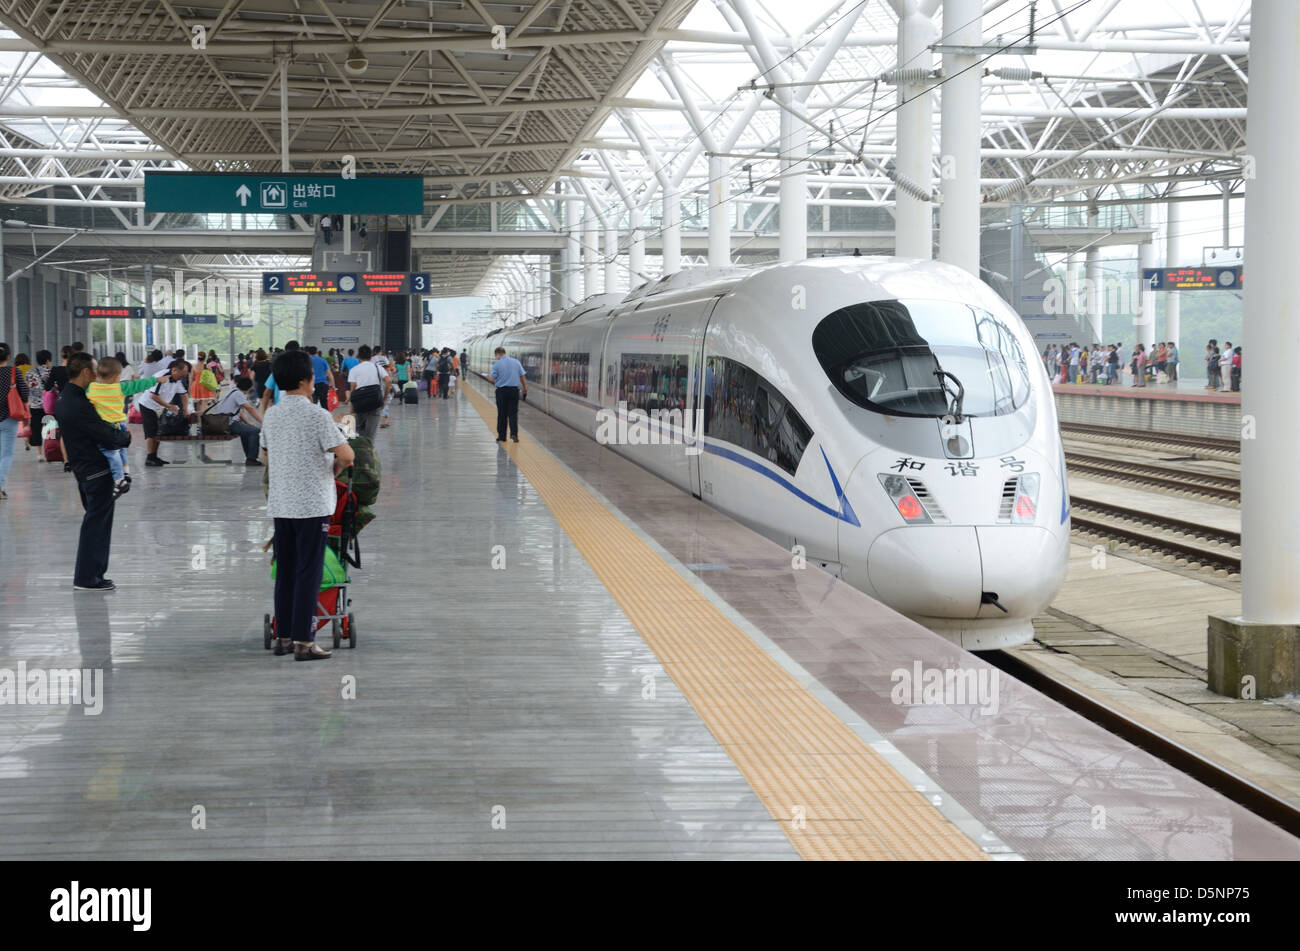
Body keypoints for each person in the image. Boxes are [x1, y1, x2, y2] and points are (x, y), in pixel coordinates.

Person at [260, 349, 355, 661]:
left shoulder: (272, 413)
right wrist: (334, 469)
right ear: (305, 380)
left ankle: (283, 638)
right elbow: (347, 455)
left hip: (281, 503)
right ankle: (304, 641)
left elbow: (266, 457)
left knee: (285, 570)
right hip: (313, 505)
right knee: (308, 572)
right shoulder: (317, 415)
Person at [55, 352, 131, 590]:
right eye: (95, 370)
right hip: (96, 470)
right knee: (97, 523)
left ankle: (93, 574)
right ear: (86, 372)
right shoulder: (79, 404)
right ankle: (88, 577)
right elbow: (106, 436)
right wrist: (125, 436)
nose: (98, 375)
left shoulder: (66, 397)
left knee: (96, 521)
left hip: (83, 467)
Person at [87, 356, 167, 497]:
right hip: (121, 426)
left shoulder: (92, 388)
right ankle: (126, 473)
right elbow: (139, 385)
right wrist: (156, 380)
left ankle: (119, 481)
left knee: (111, 453)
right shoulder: (120, 388)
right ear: (118, 377)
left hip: (106, 428)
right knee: (122, 450)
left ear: (97, 375)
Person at [136, 359, 191, 467]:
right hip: (148, 405)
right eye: (181, 375)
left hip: (159, 407)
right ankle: (150, 458)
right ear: (174, 370)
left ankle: (154, 457)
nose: (182, 378)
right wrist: (169, 406)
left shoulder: (177, 380)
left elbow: (184, 395)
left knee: (159, 431)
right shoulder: (162, 376)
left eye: (184, 376)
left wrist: (185, 410)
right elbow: (153, 396)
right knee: (151, 432)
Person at [211, 376, 264, 465]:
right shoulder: (238, 394)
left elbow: (238, 411)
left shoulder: (231, 391)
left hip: (221, 422)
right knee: (255, 431)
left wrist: (248, 423)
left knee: (247, 430)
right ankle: (251, 459)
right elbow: (249, 408)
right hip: (228, 424)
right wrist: (262, 422)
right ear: (248, 388)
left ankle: (249, 457)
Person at [0, 343, 28, 499]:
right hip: (8, 417)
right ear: (9, 356)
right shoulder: (13, 371)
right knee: (6, 454)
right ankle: (0, 484)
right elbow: (24, 393)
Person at [346, 344, 388, 440]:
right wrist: (384, 399)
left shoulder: (354, 370)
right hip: (375, 402)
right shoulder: (378, 367)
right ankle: (368, 451)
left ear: (359, 356)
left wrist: (351, 408)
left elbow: (353, 390)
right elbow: (388, 381)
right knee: (370, 436)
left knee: (359, 433)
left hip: (359, 404)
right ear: (370, 356)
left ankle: (360, 452)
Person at [486, 345, 527, 443]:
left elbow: (492, 379)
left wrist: (487, 376)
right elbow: (522, 376)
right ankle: (514, 434)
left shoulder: (497, 364)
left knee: (502, 414)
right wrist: (525, 388)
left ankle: (502, 437)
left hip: (502, 391)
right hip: (514, 391)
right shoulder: (516, 362)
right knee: (513, 414)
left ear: (497, 354)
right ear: (504, 352)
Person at [259, 340, 301, 414]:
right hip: (299, 410)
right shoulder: (304, 371)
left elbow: (266, 393)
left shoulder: (278, 371)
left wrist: (263, 412)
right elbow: (309, 395)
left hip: (280, 409)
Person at [25, 350, 52, 455]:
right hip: (48, 405)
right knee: (50, 429)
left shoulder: (30, 372)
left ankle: (39, 454)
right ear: (48, 360)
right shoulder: (50, 372)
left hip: (34, 405)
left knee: (36, 428)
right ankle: (50, 449)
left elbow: (27, 387)